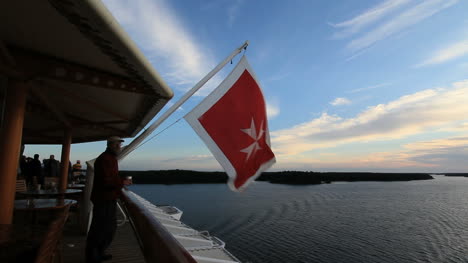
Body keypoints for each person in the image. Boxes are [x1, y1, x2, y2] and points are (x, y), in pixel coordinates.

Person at [86, 136, 132, 263]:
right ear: (110, 145)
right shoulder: (105, 159)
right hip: (103, 198)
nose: (119, 147)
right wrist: (123, 182)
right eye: (117, 145)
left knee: (108, 228)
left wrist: (120, 181)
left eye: (120, 145)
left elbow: (110, 178)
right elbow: (106, 181)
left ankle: (99, 252)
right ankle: (92, 256)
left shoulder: (110, 158)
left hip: (108, 197)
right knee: (99, 228)